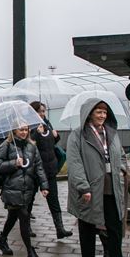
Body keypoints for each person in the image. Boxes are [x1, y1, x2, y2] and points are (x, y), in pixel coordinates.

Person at [67, 100, 130, 257]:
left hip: (112, 187)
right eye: (98, 112)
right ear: (89, 113)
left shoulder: (111, 133)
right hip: (89, 188)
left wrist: (125, 176)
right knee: (87, 225)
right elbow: (74, 163)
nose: (102, 116)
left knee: (115, 227)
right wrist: (83, 186)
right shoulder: (77, 135)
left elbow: (120, 156)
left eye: (104, 112)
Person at [0, 125, 48, 257]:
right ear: (14, 131)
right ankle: (31, 253)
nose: (24, 132)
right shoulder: (6, 145)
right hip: (12, 189)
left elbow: (39, 167)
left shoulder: (32, 146)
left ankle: (2, 240)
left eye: (26, 129)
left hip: (27, 189)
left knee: (13, 217)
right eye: (21, 129)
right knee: (24, 217)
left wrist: (44, 186)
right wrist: (13, 163)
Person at [31, 101, 74, 240]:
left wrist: (56, 136)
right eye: (39, 111)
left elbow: (51, 144)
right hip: (34, 170)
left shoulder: (47, 124)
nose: (42, 114)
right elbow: (29, 146)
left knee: (53, 199)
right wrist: (36, 134)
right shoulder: (28, 127)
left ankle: (60, 229)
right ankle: (26, 227)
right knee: (28, 200)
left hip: (49, 169)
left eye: (43, 111)